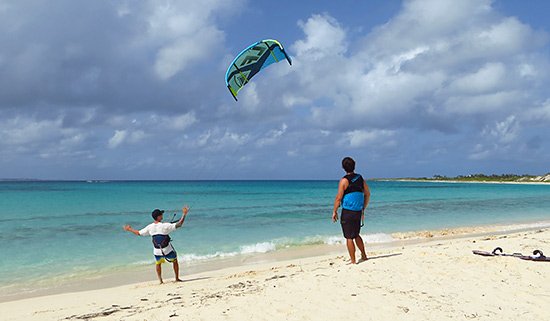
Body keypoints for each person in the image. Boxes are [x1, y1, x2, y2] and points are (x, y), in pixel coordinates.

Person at [124, 206, 189, 284]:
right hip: (167, 250)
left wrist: (129, 229)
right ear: (159, 217)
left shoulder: (150, 227)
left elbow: (138, 233)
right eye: (161, 214)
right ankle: (177, 278)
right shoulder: (165, 225)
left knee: (158, 263)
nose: (162, 215)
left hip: (157, 251)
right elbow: (179, 224)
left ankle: (160, 281)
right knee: (175, 260)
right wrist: (184, 214)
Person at [332, 157, 371, 264]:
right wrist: (363, 207)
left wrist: (334, 211)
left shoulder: (344, 181)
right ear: (354, 166)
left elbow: (338, 198)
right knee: (356, 234)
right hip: (358, 211)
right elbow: (367, 194)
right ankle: (364, 255)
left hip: (348, 212)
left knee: (349, 237)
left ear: (343, 168)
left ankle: (353, 261)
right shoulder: (360, 178)